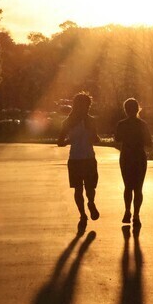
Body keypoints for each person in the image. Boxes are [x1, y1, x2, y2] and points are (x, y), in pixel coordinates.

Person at [57, 92, 101, 222]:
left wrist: (69, 140)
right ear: (87, 106)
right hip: (89, 158)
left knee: (78, 189)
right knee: (90, 187)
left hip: (75, 159)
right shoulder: (91, 120)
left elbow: (60, 142)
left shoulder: (67, 122)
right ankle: (91, 202)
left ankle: (82, 214)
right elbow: (95, 139)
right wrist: (95, 138)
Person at [114, 98, 151, 226]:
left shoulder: (121, 124)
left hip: (126, 156)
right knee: (138, 188)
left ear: (125, 110)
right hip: (139, 156)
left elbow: (117, 139)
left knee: (128, 187)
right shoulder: (143, 124)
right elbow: (149, 142)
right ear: (137, 109)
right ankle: (136, 215)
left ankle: (127, 210)